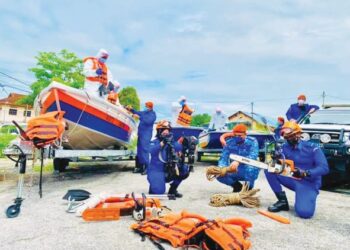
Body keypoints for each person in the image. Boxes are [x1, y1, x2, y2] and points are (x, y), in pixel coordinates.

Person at [265, 121, 329, 219]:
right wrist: (276, 159)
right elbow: (281, 164)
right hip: (292, 178)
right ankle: (282, 201)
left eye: (291, 136)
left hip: (308, 183)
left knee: (305, 213)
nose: (289, 139)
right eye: (287, 137)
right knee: (270, 169)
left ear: (298, 134)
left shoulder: (313, 148)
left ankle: (303, 199)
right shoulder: (284, 147)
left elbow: (324, 168)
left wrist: (305, 173)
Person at [148, 120, 190, 197]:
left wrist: (185, 144)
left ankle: (173, 190)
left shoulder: (172, 142)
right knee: (158, 191)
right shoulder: (154, 142)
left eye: (167, 131)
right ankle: (154, 186)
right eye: (163, 130)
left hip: (169, 169)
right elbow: (151, 150)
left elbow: (179, 147)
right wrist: (162, 143)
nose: (166, 132)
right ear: (159, 131)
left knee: (184, 169)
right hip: (156, 170)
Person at [215, 124, 260, 192]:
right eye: (235, 135)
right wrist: (222, 168)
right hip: (234, 169)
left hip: (248, 168)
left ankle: (248, 188)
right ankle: (237, 187)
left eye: (240, 135)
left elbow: (253, 156)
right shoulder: (229, 143)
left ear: (245, 134)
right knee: (218, 174)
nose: (237, 137)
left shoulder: (252, 141)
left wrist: (238, 161)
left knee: (251, 169)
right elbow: (223, 158)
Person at [127, 102, 156, 174]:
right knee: (139, 151)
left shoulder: (152, 114)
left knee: (144, 150)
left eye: (146, 106)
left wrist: (139, 117)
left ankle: (147, 167)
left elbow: (148, 121)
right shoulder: (144, 112)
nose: (145, 107)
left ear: (150, 107)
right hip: (140, 134)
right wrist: (131, 109)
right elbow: (137, 112)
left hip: (146, 134)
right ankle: (140, 166)